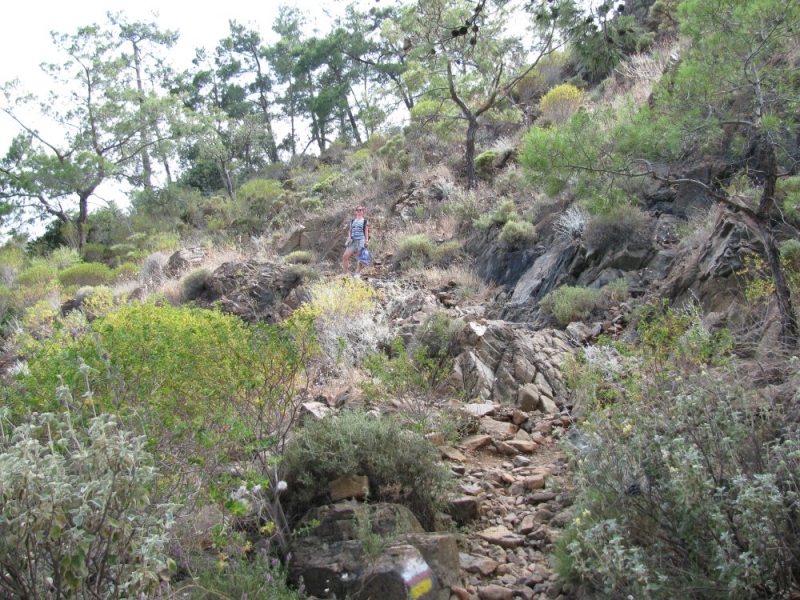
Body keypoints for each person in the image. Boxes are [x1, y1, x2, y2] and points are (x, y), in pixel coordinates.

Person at [342, 205, 370, 277]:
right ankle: (345, 273)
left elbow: (366, 231)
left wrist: (366, 241)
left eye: (361, 210)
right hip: (353, 241)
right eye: (358, 210)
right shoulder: (352, 221)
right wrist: (349, 237)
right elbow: (350, 230)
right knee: (345, 256)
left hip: (361, 240)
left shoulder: (365, 221)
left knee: (360, 258)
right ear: (356, 212)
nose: (359, 211)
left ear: (363, 212)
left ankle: (357, 274)